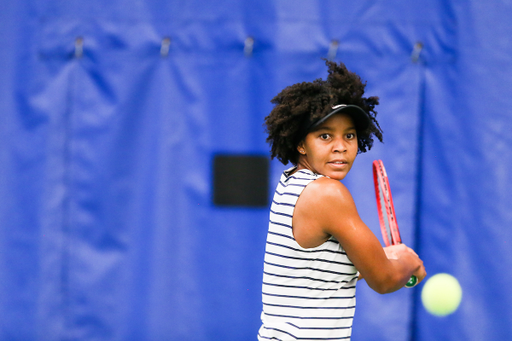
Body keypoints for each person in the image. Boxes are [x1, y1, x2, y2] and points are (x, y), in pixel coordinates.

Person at [257, 60, 426, 341]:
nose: (341, 146)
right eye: (325, 136)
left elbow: (319, 275)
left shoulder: (291, 182)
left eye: (349, 135)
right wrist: (408, 262)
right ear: (301, 144)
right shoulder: (327, 193)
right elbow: (383, 280)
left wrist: (385, 258)